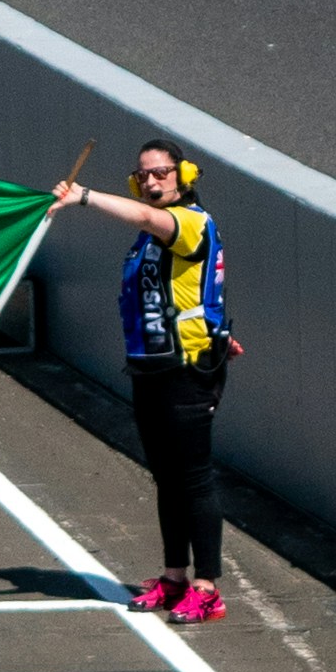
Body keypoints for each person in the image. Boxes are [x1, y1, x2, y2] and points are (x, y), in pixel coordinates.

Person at [55, 136, 237, 623]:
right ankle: (174, 577)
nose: (151, 181)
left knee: (194, 478)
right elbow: (188, 292)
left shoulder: (188, 222)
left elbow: (144, 217)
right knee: (167, 477)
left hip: (185, 370)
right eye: (144, 175)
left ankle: (207, 588)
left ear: (183, 176)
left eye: (161, 173)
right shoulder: (151, 238)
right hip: (150, 366)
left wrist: (84, 197)